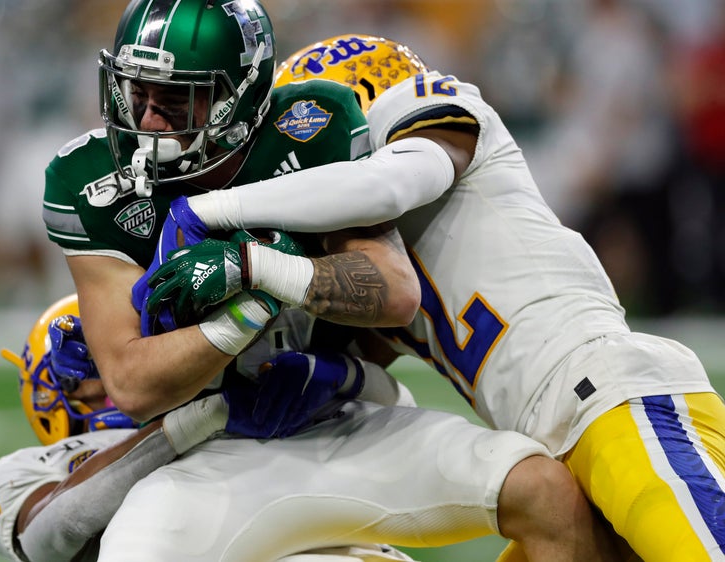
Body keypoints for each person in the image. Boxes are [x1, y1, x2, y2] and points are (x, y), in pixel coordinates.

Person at [41, 2, 620, 560]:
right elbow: (135, 383)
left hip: (339, 418)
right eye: (135, 92)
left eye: (175, 98)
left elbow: (393, 292)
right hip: (206, 450)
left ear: (238, 98)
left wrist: (256, 268)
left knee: (547, 494)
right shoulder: (87, 182)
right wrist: (253, 305)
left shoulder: (309, 128)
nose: (146, 119)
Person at [147, 33, 725, 560]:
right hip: (558, 463)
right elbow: (345, 376)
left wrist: (213, 211)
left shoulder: (427, 116)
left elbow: (391, 182)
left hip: (615, 398)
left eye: (307, 128)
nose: (296, 154)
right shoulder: (368, 254)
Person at [0, 295, 423, 562]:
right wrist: (200, 418)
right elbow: (48, 538)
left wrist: (346, 376)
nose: (107, 385)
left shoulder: (242, 395)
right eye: (87, 373)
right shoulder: (22, 471)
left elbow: (402, 425)